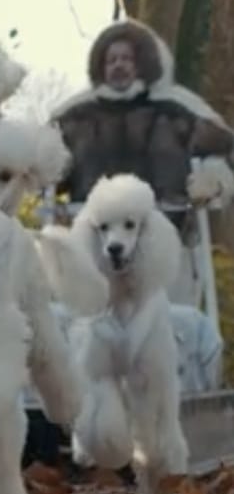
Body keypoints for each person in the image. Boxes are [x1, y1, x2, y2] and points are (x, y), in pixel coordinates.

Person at [47, 18, 234, 309]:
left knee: (168, 332)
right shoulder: (74, 118)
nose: (119, 65)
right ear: (101, 65)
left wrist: (213, 179)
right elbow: (38, 164)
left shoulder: (178, 112)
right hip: (94, 247)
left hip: (168, 246)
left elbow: (223, 151)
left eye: (126, 58)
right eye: (112, 59)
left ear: (142, 63)